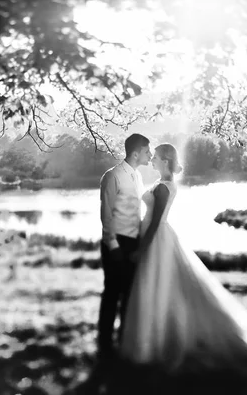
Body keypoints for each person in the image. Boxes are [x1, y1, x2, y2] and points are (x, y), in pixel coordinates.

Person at [120, 143, 247, 374]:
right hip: (158, 236)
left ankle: (153, 343)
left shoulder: (163, 188)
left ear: (165, 160)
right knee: (155, 286)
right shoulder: (162, 184)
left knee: (153, 284)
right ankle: (153, 338)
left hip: (156, 239)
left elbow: (155, 222)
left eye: (155, 157)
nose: (151, 160)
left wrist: (142, 248)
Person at [97, 133, 152, 359]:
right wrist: (113, 245)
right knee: (112, 292)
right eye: (147, 151)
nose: (150, 155)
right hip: (116, 243)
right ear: (136, 152)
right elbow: (106, 213)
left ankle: (124, 343)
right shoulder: (113, 176)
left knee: (129, 294)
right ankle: (105, 344)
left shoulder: (138, 177)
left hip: (133, 243)